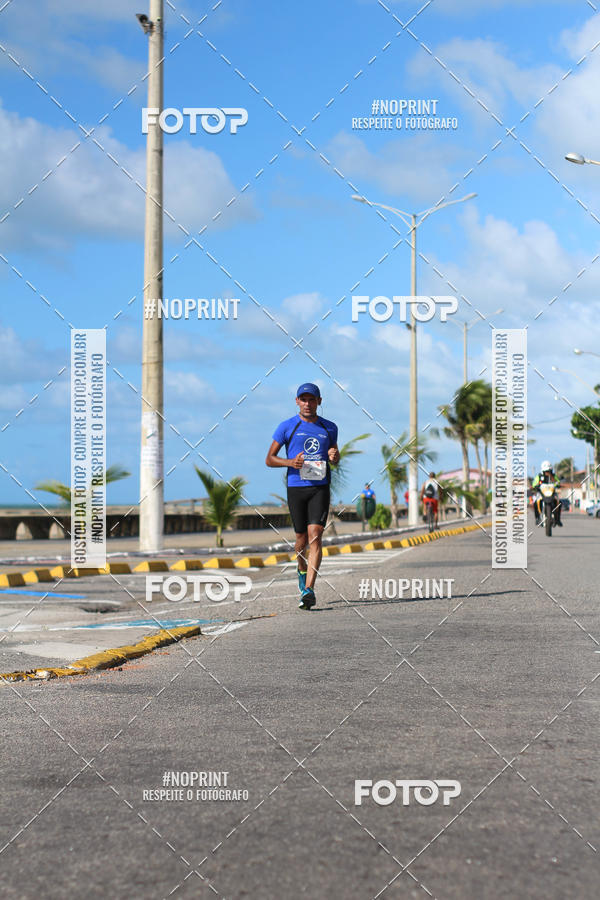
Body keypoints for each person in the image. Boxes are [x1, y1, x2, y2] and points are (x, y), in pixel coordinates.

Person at [266, 383, 339, 609]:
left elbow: (334, 456)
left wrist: (335, 456)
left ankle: (309, 590)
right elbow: (269, 459)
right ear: (297, 401)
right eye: (303, 399)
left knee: (315, 535)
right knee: (301, 541)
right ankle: (301, 568)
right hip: (296, 487)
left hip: (320, 487)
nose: (308, 404)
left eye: (312, 399)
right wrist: (290, 462)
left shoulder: (330, 428)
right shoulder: (288, 426)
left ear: (319, 401)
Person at [532, 460, 562, 526]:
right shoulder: (539, 476)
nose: (547, 473)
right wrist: (535, 486)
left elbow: (558, 482)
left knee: (559, 502)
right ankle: (537, 518)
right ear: (543, 471)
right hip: (542, 493)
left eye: (549, 471)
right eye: (546, 471)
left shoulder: (553, 476)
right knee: (535, 503)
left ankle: (558, 519)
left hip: (552, 493)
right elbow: (534, 483)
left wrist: (556, 482)